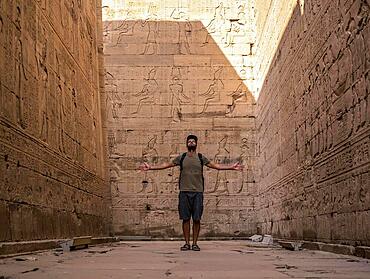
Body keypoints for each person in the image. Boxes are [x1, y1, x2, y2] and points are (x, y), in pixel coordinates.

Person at [139, 134, 243, 251]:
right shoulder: (182, 157)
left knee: (197, 219)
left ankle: (195, 243)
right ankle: (187, 243)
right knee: (186, 219)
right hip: (184, 192)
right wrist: (151, 167)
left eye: (193, 141)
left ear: (196, 144)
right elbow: (166, 165)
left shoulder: (200, 157)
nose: (191, 143)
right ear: (187, 144)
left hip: (198, 192)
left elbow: (217, 166)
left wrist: (231, 167)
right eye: (189, 141)